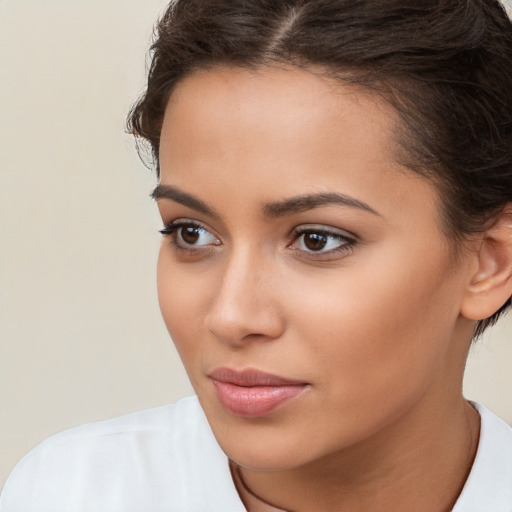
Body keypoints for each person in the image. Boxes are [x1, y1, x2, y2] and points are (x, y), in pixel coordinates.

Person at [1, 0, 512, 510]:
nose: (230, 316)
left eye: (317, 239)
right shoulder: (73, 493)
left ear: (490, 261)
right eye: (192, 233)